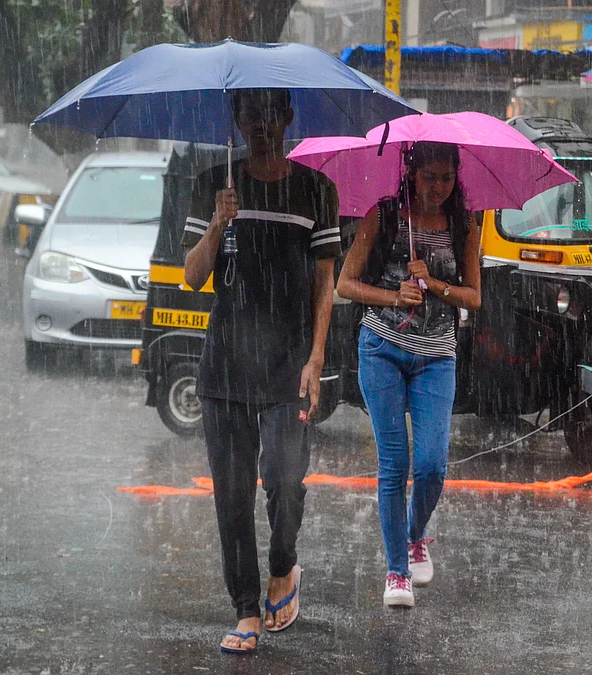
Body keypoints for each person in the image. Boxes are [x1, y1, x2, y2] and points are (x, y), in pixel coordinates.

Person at [182, 88, 340, 654]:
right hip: (225, 364)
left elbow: (326, 278)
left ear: (288, 117)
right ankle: (246, 608)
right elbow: (192, 277)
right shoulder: (211, 184)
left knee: (282, 479)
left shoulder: (315, 188)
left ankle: (284, 563)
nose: (262, 125)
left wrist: (317, 354)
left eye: (273, 113)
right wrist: (217, 225)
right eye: (251, 114)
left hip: (289, 363)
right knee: (230, 493)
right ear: (237, 120)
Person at [336, 142, 482, 608]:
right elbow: (345, 284)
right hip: (382, 348)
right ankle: (397, 570)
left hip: (437, 356)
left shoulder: (464, 225)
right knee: (395, 464)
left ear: (457, 177)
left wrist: (435, 284)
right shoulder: (384, 216)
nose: (437, 187)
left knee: (433, 466)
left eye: (446, 178)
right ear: (410, 173)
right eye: (428, 177)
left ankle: (415, 535)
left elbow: (474, 298)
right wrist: (395, 297)